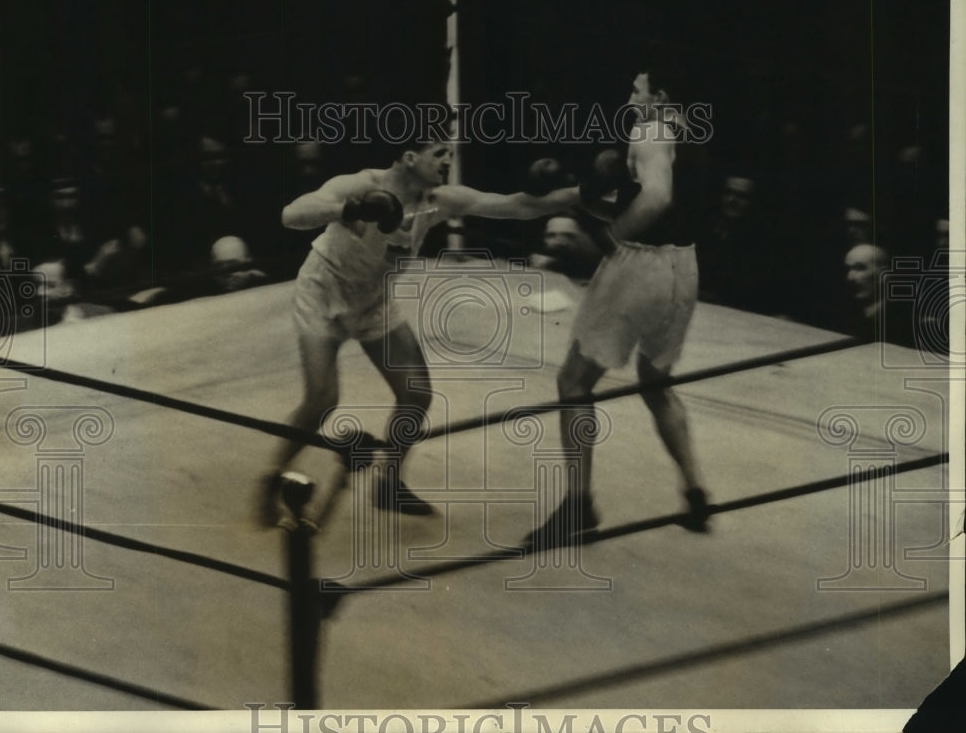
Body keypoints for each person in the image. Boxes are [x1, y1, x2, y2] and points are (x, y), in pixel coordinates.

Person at [258, 135, 581, 527]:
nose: (447, 162)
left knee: (416, 393)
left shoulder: (440, 200)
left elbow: (518, 206)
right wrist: (350, 208)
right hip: (324, 291)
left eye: (450, 154)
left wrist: (584, 191)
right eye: (439, 154)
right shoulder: (364, 183)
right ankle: (270, 476)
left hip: (374, 298)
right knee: (323, 398)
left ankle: (389, 483)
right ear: (410, 157)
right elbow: (291, 214)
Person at [528, 69, 711, 547]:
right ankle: (694, 491)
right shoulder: (691, 133)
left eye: (638, 89)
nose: (631, 96)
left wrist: (611, 239)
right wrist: (598, 208)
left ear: (661, 96)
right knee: (656, 382)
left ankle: (578, 505)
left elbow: (657, 199)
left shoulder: (650, 130)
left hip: (641, 266)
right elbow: (667, 203)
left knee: (573, 381)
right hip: (684, 266)